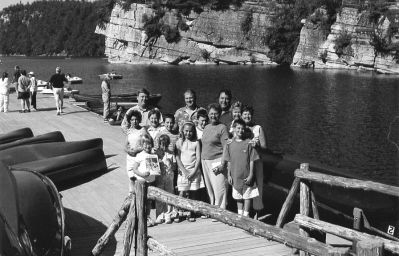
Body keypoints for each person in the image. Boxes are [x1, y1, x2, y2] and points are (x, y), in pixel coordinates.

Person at [223, 119, 259, 217]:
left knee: (247, 197)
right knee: (238, 197)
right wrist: (229, 174)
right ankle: (240, 215)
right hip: (235, 176)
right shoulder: (230, 144)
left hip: (246, 176)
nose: (240, 130)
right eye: (238, 128)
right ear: (234, 129)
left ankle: (246, 215)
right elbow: (229, 160)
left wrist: (251, 174)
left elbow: (252, 160)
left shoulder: (249, 143)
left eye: (242, 129)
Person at [201, 103, 229, 213]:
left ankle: (220, 212)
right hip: (205, 161)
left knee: (219, 188)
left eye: (216, 113)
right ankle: (213, 209)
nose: (213, 116)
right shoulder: (207, 127)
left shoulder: (222, 128)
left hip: (217, 160)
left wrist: (223, 164)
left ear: (220, 114)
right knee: (210, 188)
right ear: (208, 114)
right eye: (211, 113)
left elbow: (226, 147)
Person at [126, 134, 158, 227]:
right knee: (140, 201)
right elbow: (135, 169)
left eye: (149, 144)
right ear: (141, 145)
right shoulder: (140, 155)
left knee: (148, 201)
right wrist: (142, 174)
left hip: (150, 181)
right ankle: (137, 218)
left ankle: (147, 216)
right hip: (140, 182)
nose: (147, 146)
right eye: (145, 144)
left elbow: (154, 170)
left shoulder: (152, 155)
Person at [241, 105, 267, 216]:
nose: (247, 116)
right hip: (243, 163)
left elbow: (265, 147)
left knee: (257, 188)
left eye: (249, 114)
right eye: (245, 114)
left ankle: (257, 214)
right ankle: (244, 212)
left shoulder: (258, 128)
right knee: (243, 187)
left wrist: (257, 146)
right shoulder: (238, 127)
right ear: (241, 115)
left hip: (256, 163)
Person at [175, 121, 203, 222]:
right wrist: (184, 171)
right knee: (182, 192)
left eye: (190, 131)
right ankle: (178, 211)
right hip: (183, 171)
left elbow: (198, 158)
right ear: (182, 130)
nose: (188, 133)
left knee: (193, 192)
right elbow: (177, 157)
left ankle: (191, 212)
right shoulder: (179, 142)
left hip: (194, 171)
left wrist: (194, 171)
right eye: (186, 131)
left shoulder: (196, 142)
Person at [154, 134, 176, 224]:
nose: (164, 147)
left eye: (166, 145)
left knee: (169, 195)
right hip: (159, 177)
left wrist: (171, 163)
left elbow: (174, 167)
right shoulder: (156, 154)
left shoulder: (170, 154)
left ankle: (168, 214)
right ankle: (159, 214)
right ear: (159, 144)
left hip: (169, 177)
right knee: (159, 196)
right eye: (162, 145)